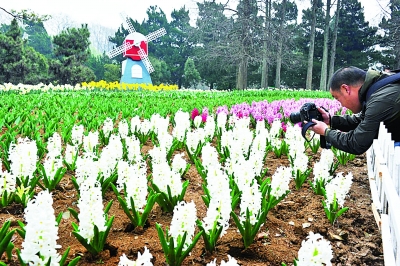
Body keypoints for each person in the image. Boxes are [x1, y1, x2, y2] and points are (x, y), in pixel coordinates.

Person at [308, 66, 400, 155]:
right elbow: (362, 119)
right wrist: (331, 120)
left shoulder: (382, 99)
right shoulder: (378, 87)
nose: (342, 105)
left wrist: (325, 132)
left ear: (346, 89)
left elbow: (357, 143)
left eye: (337, 98)